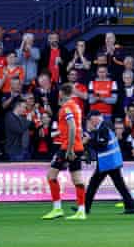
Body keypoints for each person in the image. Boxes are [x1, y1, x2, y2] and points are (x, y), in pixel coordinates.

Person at [41, 83, 87, 221]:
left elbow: (72, 126)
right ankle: (81, 211)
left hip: (68, 147)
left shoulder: (66, 108)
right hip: (78, 146)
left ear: (61, 93)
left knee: (51, 176)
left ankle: (57, 209)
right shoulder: (76, 106)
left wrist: (69, 148)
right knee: (77, 179)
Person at [82, 110, 134, 215]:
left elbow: (102, 144)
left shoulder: (103, 128)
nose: (90, 122)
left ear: (96, 118)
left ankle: (84, 208)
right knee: (119, 185)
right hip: (110, 161)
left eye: (90, 119)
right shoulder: (104, 126)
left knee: (93, 185)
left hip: (107, 162)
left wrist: (89, 140)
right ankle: (131, 207)